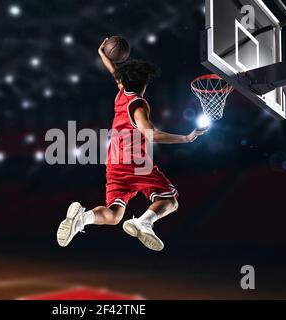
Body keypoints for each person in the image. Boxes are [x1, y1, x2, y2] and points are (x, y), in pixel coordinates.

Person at [56, 38, 208, 251]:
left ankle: (83, 218)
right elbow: (150, 134)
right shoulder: (138, 104)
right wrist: (185, 138)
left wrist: (102, 53)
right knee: (171, 200)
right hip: (136, 164)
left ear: (124, 80)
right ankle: (144, 222)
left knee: (114, 215)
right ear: (145, 83)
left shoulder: (121, 93)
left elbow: (115, 74)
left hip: (114, 163)